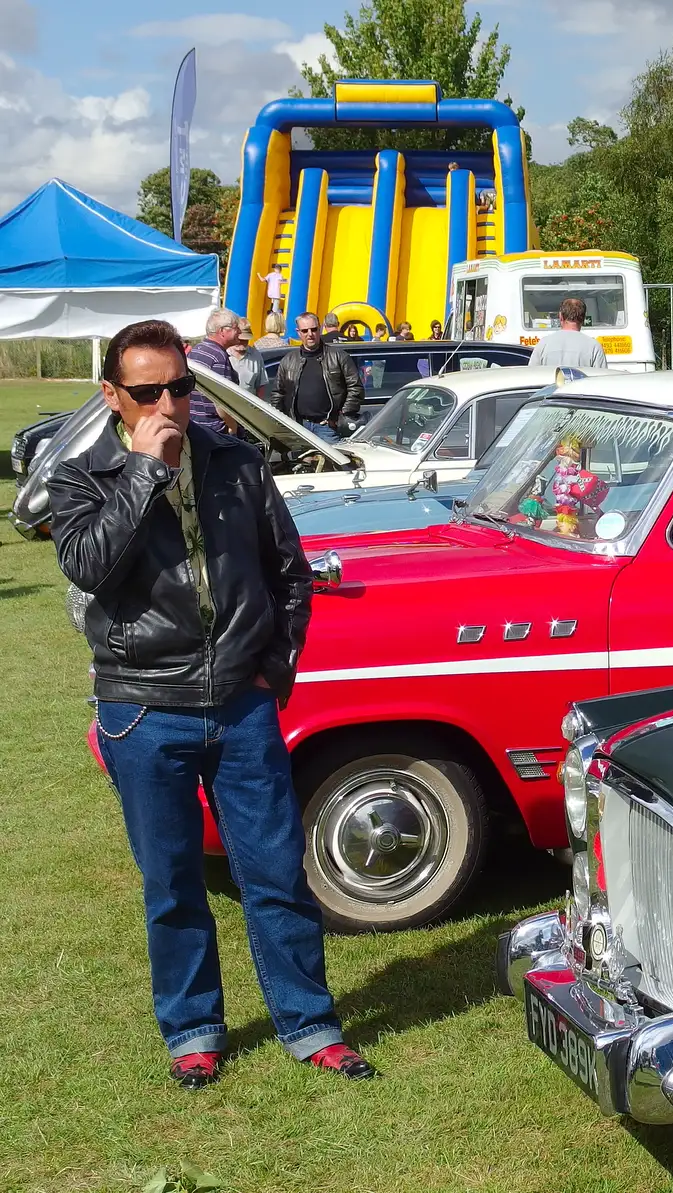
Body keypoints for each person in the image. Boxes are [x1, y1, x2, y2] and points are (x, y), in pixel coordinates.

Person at [46, 319, 377, 1089]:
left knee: (277, 870)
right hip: (142, 705)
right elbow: (92, 566)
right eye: (149, 390)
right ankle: (193, 1028)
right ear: (112, 396)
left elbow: (289, 574)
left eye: (182, 386)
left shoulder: (236, 460)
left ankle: (311, 1021)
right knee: (172, 882)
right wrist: (142, 473)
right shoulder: (83, 476)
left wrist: (273, 670)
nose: (169, 402)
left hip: (240, 702)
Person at [272, 312, 364, 442]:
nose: (310, 334)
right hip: (298, 427)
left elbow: (356, 388)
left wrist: (341, 416)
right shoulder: (288, 360)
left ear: (320, 328)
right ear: (298, 332)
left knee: (334, 462)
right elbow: (278, 393)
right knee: (300, 463)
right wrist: (280, 423)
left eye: (314, 329)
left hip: (328, 428)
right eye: (305, 331)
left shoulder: (339, 356)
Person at [185, 309, 240, 434]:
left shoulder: (196, 350)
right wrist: (233, 428)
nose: (240, 332)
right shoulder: (218, 357)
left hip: (195, 425)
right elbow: (222, 402)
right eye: (236, 328)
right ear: (222, 331)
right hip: (215, 431)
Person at [529, 296, 608, 368]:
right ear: (584, 319)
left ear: (560, 317)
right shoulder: (594, 347)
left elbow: (532, 375)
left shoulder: (543, 344)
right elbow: (602, 380)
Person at [228, 315, 267, 399]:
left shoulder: (255, 355)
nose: (242, 342)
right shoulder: (224, 353)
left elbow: (261, 386)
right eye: (239, 339)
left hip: (248, 407)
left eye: (245, 340)